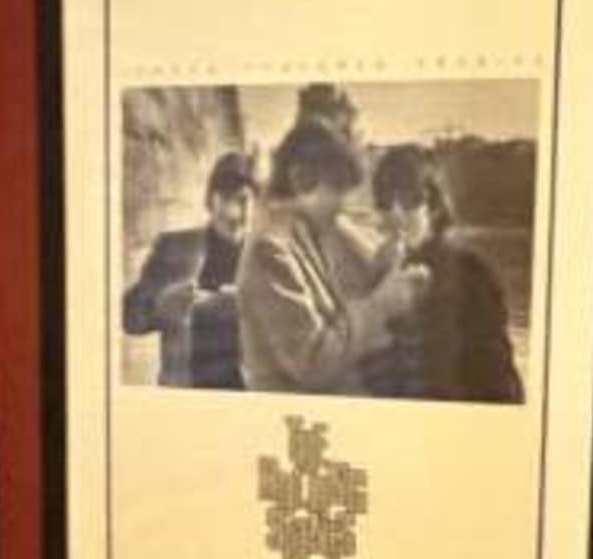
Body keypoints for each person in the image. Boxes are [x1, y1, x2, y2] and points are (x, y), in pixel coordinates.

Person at [236, 115, 395, 394]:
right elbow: (313, 363)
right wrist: (381, 304)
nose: (344, 205)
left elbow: (334, 316)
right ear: (301, 179)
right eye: (336, 190)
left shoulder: (305, 234)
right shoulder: (270, 250)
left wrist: (379, 271)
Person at [362, 144, 523, 405]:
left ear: (434, 207)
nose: (396, 214)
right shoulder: (375, 276)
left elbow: (498, 384)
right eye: (385, 202)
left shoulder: (472, 275)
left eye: (410, 201)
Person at [122, 150, 255, 388]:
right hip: (185, 393)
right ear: (209, 201)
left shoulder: (270, 259)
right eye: (225, 199)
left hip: (245, 397)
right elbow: (129, 317)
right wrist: (159, 306)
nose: (235, 212)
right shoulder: (173, 248)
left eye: (244, 200)